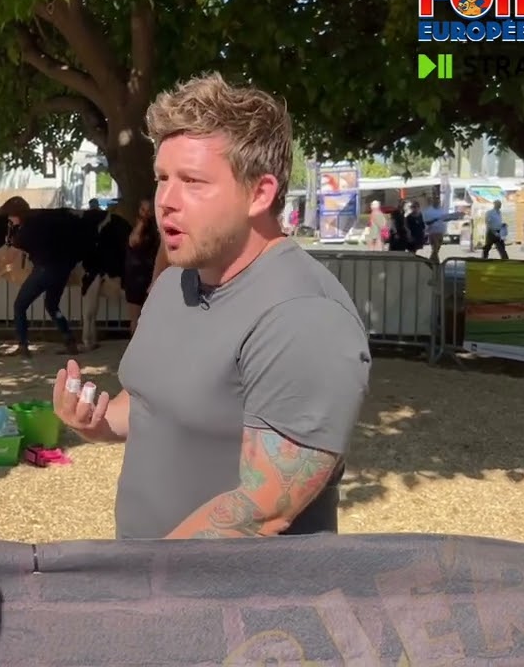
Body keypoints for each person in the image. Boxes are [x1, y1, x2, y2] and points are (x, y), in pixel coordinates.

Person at [50, 73, 369, 540]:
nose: (166, 201)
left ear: (259, 193)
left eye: (193, 182)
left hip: (228, 588)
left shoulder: (303, 315)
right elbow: (149, 403)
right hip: (147, 574)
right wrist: (96, 422)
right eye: (162, 179)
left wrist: (148, 573)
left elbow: (265, 508)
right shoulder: (175, 283)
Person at [0, 196, 81, 358]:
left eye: (10, 216)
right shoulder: (44, 221)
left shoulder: (24, 232)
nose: (9, 219)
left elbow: (10, 257)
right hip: (62, 270)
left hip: (44, 270)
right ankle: (69, 341)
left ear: (17, 215)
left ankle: (23, 345)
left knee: (19, 306)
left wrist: (10, 241)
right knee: (52, 305)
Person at [123, 197, 160, 332]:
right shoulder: (137, 229)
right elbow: (134, 241)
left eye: (148, 210)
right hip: (135, 277)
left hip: (150, 275)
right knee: (135, 317)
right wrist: (142, 223)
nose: (145, 213)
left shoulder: (155, 230)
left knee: (151, 315)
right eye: (143, 210)